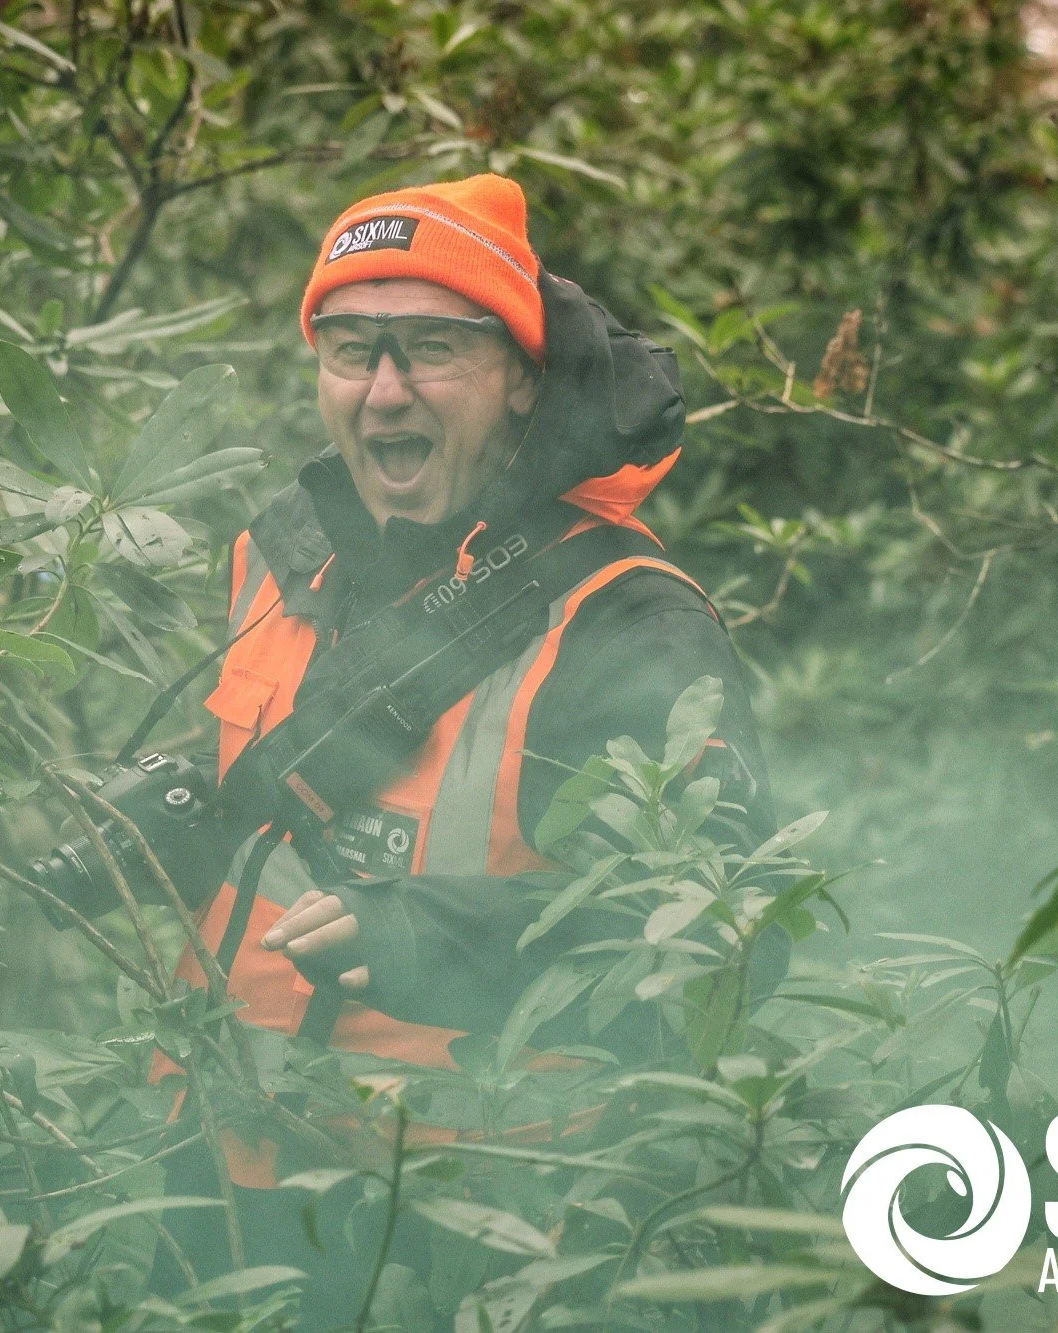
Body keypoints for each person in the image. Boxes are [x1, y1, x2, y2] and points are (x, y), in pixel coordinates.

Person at [149, 173, 773, 1320]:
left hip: (471, 1230)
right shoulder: (280, 554)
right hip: (218, 1174)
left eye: (431, 348)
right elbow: (281, 817)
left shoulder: (624, 620)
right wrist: (172, 821)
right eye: (350, 350)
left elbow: (727, 945)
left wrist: (433, 939)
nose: (384, 390)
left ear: (521, 378)